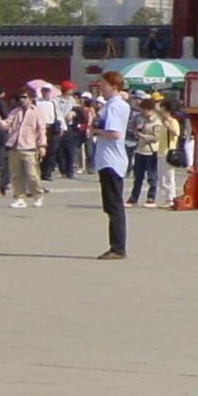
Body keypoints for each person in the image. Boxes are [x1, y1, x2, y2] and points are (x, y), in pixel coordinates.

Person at [92, 71, 131, 259]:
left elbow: (115, 133)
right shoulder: (115, 104)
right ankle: (116, 246)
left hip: (111, 159)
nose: (101, 88)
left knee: (114, 205)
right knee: (111, 205)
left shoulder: (115, 106)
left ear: (114, 87)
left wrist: (96, 130)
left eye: (104, 85)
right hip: (109, 158)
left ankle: (118, 247)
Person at [4, 88, 49, 208]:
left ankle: (38, 194)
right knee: (15, 175)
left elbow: (41, 130)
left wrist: (42, 145)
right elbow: (8, 123)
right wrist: (2, 123)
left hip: (30, 146)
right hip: (14, 146)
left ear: (31, 98)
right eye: (20, 97)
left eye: (24, 97)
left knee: (32, 174)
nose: (22, 100)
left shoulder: (37, 112)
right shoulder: (15, 111)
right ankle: (19, 197)